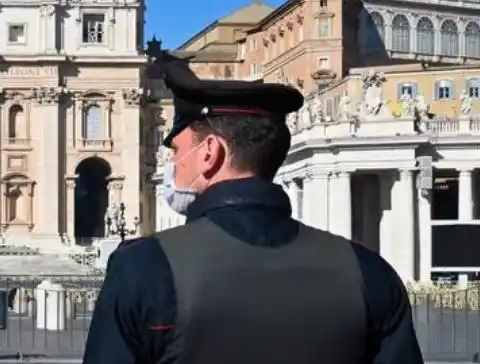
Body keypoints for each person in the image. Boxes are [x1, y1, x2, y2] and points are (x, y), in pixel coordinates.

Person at [82, 55, 425, 364]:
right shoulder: (369, 272)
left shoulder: (143, 269)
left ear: (208, 153)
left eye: (177, 151)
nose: (173, 164)